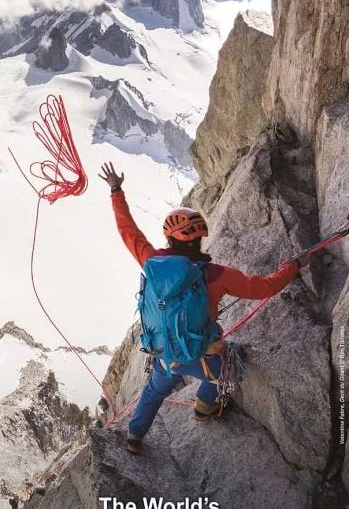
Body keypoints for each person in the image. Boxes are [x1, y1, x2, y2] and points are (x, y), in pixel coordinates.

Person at [98, 162, 300, 455]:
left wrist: (116, 190)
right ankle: (204, 409)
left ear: (169, 238)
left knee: (154, 390)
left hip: (164, 354)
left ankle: (135, 435)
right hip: (202, 354)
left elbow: (128, 232)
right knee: (230, 363)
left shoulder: (151, 262)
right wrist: (293, 267)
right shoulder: (216, 274)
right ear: (199, 238)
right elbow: (265, 288)